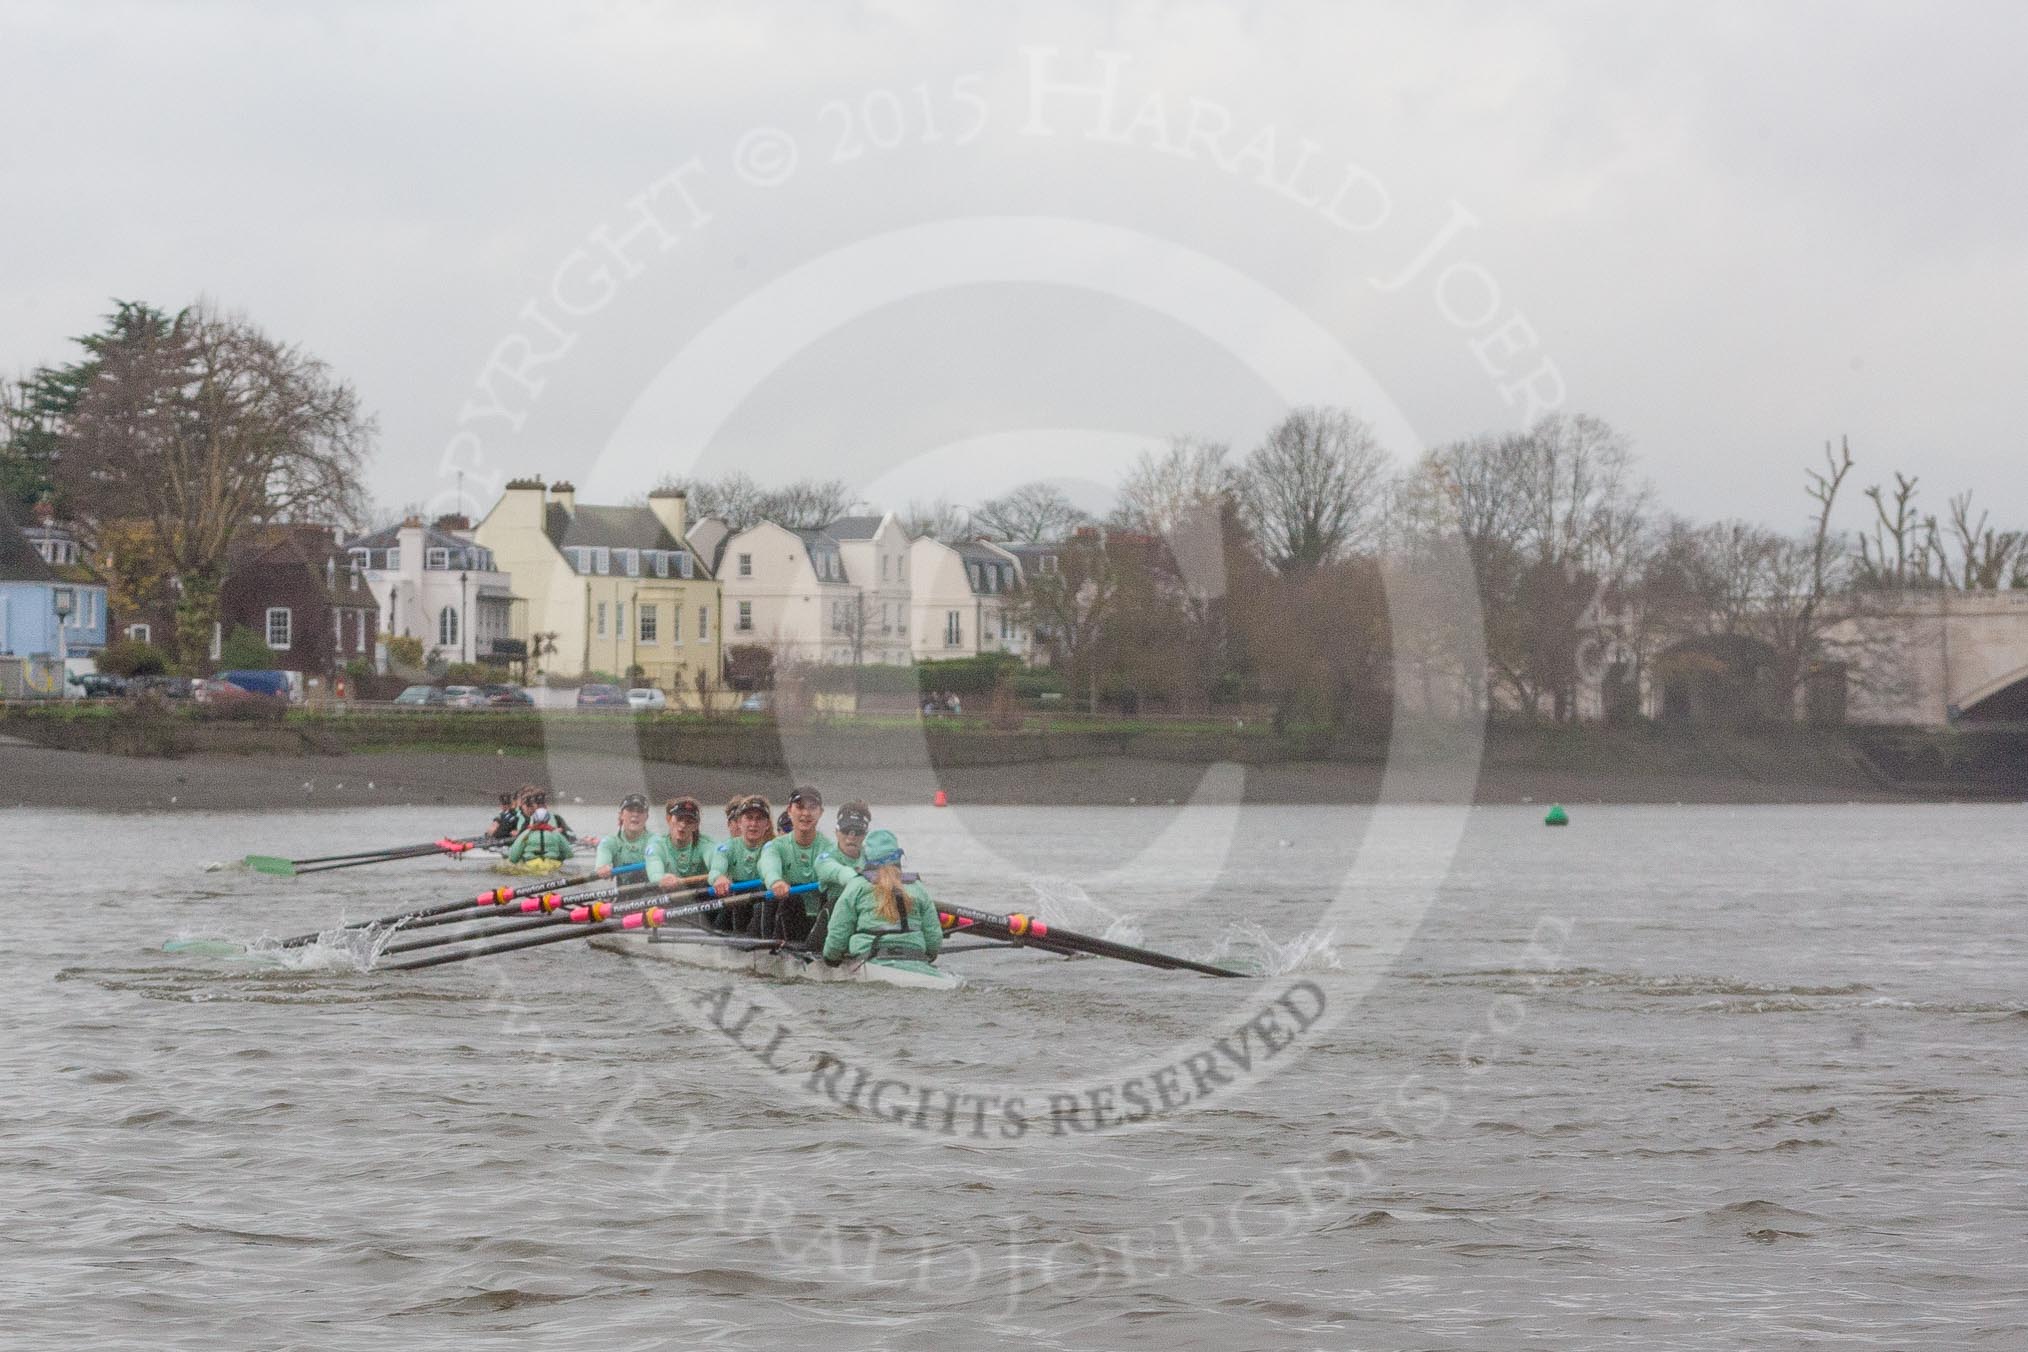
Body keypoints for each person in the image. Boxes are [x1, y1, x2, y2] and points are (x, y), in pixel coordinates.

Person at [820, 829, 942, 976]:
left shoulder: (857, 886)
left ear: (867, 858)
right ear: (898, 857)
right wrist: (928, 956)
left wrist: (831, 959)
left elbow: (838, 934)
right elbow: (934, 939)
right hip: (914, 958)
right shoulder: (917, 887)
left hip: (869, 961)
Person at [757, 784, 835, 945]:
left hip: (818, 923)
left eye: (812, 807)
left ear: (821, 813)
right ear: (789, 810)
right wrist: (775, 881)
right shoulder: (775, 846)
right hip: (783, 922)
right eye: (800, 807)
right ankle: (769, 947)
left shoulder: (829, 848)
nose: (806, 813)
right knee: (789, 899)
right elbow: (767, 865)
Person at [809, 799, 872, 952]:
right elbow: (840, 872)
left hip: (865, 915)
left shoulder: (873, 857)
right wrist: (860, 880)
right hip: (832, 923)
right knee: (835, 904)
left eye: (857, 831)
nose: (851, 837)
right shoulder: (825, 859)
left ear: (865, 834)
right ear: (836, 831)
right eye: (846, 830)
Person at [706, 795, 774, 933]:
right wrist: (719, 877)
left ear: (767, 824)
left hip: (764, 901)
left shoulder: (774, 847)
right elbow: (716, 868)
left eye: (759, 819)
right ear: (739, 822)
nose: (753, 824)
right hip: (738, 902)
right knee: (735, 897)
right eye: (749, 818)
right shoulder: (726, 847)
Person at [647, 795, 716, 890]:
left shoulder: (706, 845)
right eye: (679, 819)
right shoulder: (657, 845)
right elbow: (655, 872)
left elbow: (716, 863)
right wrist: (661, 879)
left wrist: (718, 875)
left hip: (700, 894)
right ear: (668, 819)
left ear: (696, 826)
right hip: (669, 893)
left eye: (689, 821)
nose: (683, 825)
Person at [594, 793, 654, 877]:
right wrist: (603, 868)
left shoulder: (656, 841)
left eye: (640, 811)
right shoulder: (609, 843)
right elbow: (601, 865)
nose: (635, 814)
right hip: (623, 888)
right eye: (630, 810)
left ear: (647, 817)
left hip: (655, 889)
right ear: (621, 815)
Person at [507, 804, 574, 865]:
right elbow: (569, 854)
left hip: (531, 864)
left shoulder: (526, 834)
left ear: (534, 819)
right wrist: (560, 858)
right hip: (552, 864)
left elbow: (513, 856)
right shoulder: (556, 834)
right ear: (548, 819)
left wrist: (516, 860)